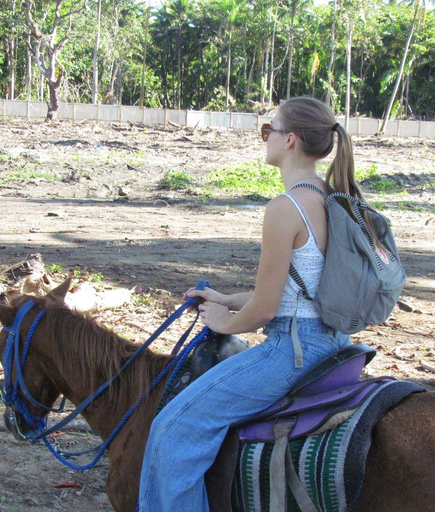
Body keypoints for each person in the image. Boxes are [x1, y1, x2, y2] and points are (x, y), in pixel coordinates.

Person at [138, 96, 369, 511]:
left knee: (173, 428)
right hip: (335, 343)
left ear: (291, 140)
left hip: (293, 350)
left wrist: (224, 322)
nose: (265, 138)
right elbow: (297, 291)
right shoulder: (338, 199)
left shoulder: (286, 208)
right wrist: (225, 299)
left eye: (269, 130)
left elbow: (264, 311)